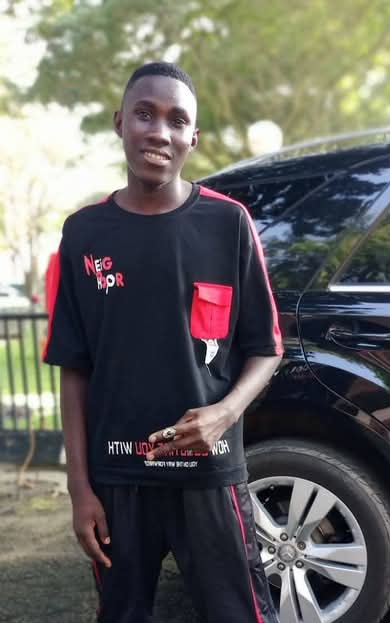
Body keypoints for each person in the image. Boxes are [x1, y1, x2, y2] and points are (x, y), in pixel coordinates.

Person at [42, 61, 283, 623]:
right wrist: (79, 488)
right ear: (119, 122)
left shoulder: (229, 224)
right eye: (145, 114)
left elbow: (266, 346)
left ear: (193, 138)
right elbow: (74, 368)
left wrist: (224, 414)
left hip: (209, 471)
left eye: (177, 121)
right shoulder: (83, 233)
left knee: (239, 613)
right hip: (117, 476)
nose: (159, 132)